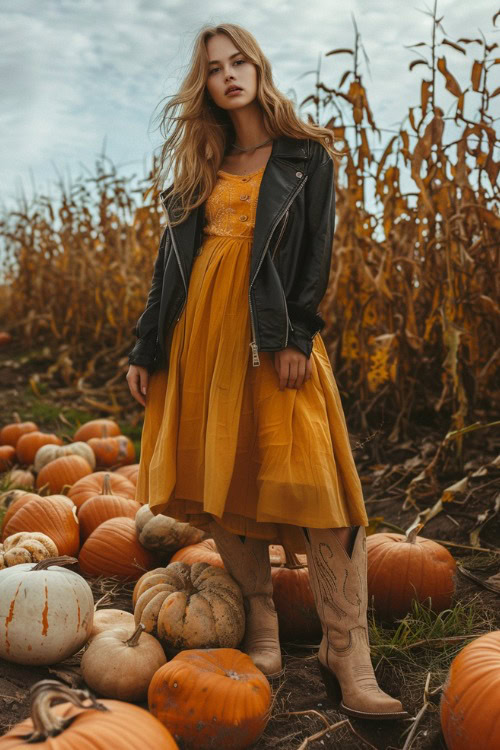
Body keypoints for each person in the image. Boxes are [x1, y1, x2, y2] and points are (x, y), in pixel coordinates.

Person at [126, 23, 408, 721]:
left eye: (238, 61)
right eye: (215, 67)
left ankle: (348, 650)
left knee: (322, 486)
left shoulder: (305, 156)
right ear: (206, 85)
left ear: (258, 66)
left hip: (271, 335)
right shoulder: (200, 161)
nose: (228, 74)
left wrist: (296, 335)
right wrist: (145, 347)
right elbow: (172, 268)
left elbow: (315, 254)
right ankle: (262, 627)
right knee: (224, 479)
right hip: (200, 339)